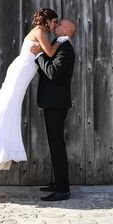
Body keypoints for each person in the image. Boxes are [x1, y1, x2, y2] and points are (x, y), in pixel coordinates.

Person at [0, 8, 65, 197]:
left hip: (21, 73)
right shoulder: (40, 31)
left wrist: (47, 47)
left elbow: (44, 53)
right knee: (4, 108)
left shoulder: (41, 32)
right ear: (47, 21)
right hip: (19, 73)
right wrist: (61, 40)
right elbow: (49, 53)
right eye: (55, 22)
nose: (55, 26)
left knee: (7, 109)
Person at [30, 18, 77, 202]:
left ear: (66, 30)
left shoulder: (66, 49)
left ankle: (63, 189)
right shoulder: (57, 46)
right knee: (54, 144)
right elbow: (46, 71)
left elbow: (52, 72)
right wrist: (42, 55)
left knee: (57, 145)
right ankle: (58, 183)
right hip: (52, 103)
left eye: (59, 25)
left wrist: (39, 55)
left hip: (57, 104)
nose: (55, 26)